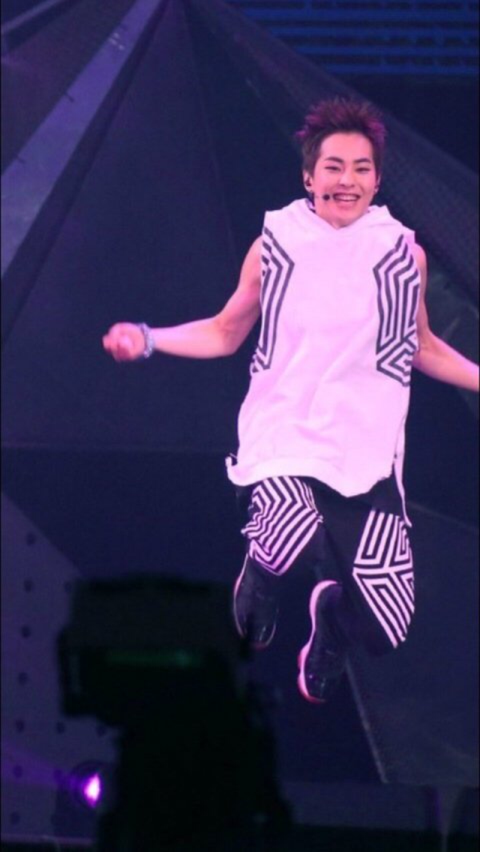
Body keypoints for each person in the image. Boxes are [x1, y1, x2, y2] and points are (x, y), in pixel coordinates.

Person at [103, 97, 479, 704]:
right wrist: (148, 339)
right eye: (334, 166)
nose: (347, 180)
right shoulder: (276, 243)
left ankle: (330, 622)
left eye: (361, 168)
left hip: (364, 456)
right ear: (309, 176)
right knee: (290, 528)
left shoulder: (402, 255)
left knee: (387, 627)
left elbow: (422, 346)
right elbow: (225, 331)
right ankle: (260, 575)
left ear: (376, 180)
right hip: (285, 436)